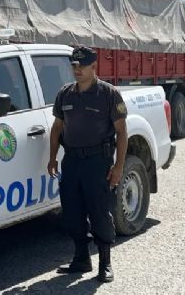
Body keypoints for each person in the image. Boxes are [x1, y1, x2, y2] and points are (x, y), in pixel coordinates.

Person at [47, 46, 128, 283]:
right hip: (71, 160)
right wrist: (53, 157)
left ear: (95, 67)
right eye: (74, 66)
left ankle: (105, 262)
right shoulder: (65, 94)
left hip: (97, 162)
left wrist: (119, 167)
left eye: (82, 66)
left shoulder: (109, 94)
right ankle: (81, 258)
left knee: (99, 211)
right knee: (72, 211)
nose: (77, 70)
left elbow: (122, 133)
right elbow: (57, 128)